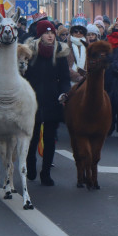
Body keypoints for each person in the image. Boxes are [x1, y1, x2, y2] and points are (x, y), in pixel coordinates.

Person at [22, 20, 71, 185]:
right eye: (46, 33)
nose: (50, 36)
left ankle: (46, 173)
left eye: (52, 33)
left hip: (52, 99)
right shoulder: (29, 52)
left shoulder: (59, 53)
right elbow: (23, 75)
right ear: (40, 35)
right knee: (32, 136)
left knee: (50, 139)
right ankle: (30, 165)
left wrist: (64, 92)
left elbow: (64, 78)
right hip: (32, 99)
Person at [67, 17, 89, 82]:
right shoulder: (66, 46)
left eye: (81, 31)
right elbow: (64, 66)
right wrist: (77, 77)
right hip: (70, 81)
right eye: (76, 31)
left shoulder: (89, 47)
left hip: (86, 81)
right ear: (72, 32)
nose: (78, 33)